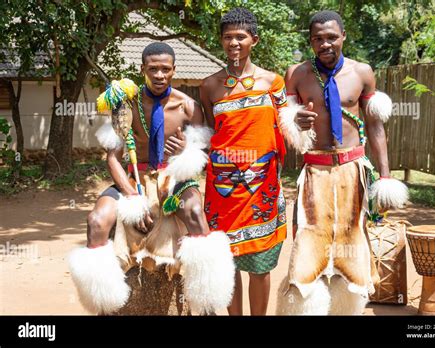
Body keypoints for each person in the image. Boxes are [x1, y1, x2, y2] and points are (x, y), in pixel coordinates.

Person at [69, 42, 235, 315]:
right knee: (96, 221)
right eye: (153, 69)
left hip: (175, 177)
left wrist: (185, 152)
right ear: (142, 69)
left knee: (195, 213)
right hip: (135, 179)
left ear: (174, 70)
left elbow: (200, 154)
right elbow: (113, 158)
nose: (159, 75)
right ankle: (105, 301)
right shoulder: (126, 105)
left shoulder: (188, 106)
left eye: (165, 69)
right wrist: (132, 196)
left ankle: (207, 300)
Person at [276, 10, 408, 315]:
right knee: (308, 242)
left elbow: (375, 126)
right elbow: (283, 125)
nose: (325, 44)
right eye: (318, 39)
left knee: (352, 241)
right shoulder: (297, 74)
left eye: (331, 37)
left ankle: (346, 309)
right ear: (310, 41)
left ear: (344, 36)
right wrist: (295, 122)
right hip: (315, 171)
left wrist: (385, 180)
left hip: (353, 171)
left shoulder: (362, 72)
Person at [200, 8, 288, 316]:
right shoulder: (209, 86)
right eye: (227, 37)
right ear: (221, 41)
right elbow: (208, 135)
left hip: (262, 185)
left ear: (255, 39)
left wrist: (300, 124)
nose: (233, 43)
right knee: (228, 262)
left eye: (241, 36)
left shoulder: (273, 83)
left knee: (260, 264)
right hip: (222, 189)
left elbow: (287, 129)